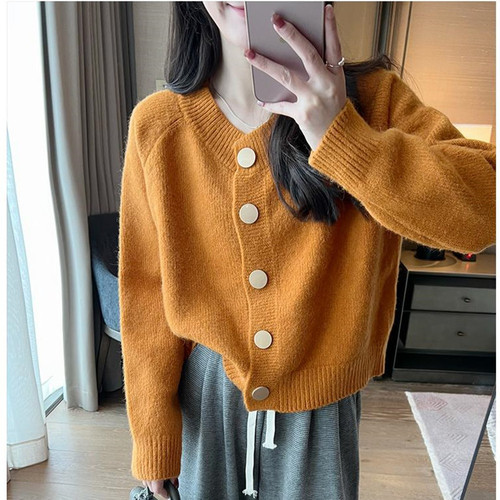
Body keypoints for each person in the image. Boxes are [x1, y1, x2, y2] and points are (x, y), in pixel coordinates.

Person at [118, 2, 496, 499]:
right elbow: (146, 297)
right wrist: (153, 436)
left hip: (323, 413)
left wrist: (342, 136)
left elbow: (483, 211)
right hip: (205, 405)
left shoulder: (377, 103)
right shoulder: (157, 126)